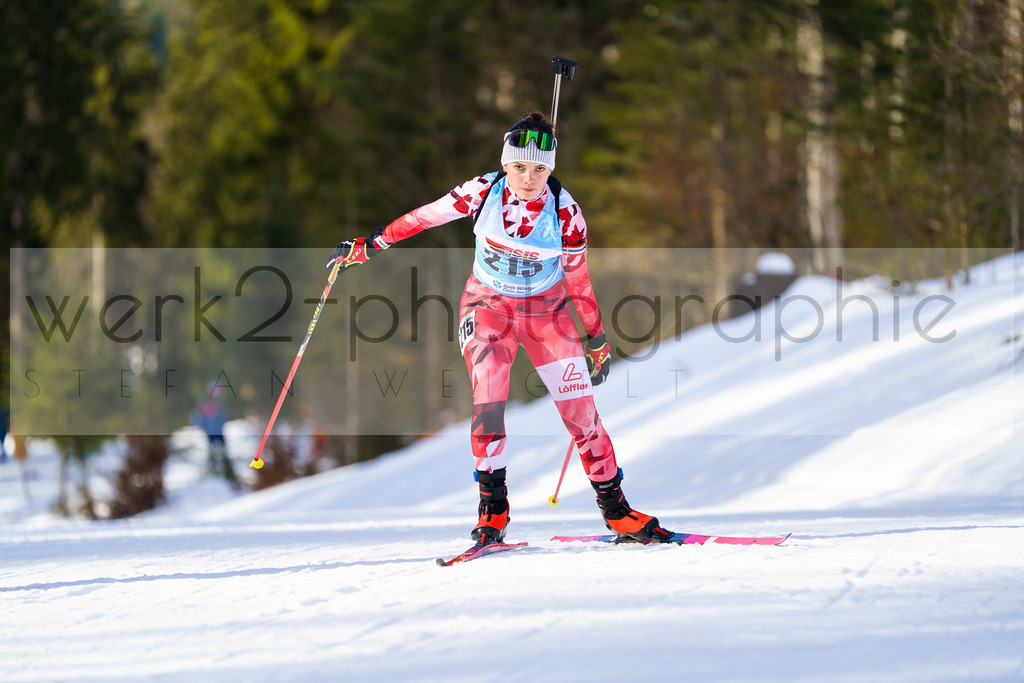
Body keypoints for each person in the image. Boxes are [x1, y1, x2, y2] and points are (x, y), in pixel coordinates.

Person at [328, 112, 672, 544]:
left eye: (540, 168)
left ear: (551, 167)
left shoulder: (567, 214)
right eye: (520, 167)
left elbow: (579, 280)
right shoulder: (482, 191)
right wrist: (371, 245)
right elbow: (424, 217)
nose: (529, 178)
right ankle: (493, 510)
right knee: (489, 400)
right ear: (505, 163)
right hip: (487, 306)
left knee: (581, 413)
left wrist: (596, 337)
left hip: (547, 314)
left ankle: (617, 511)